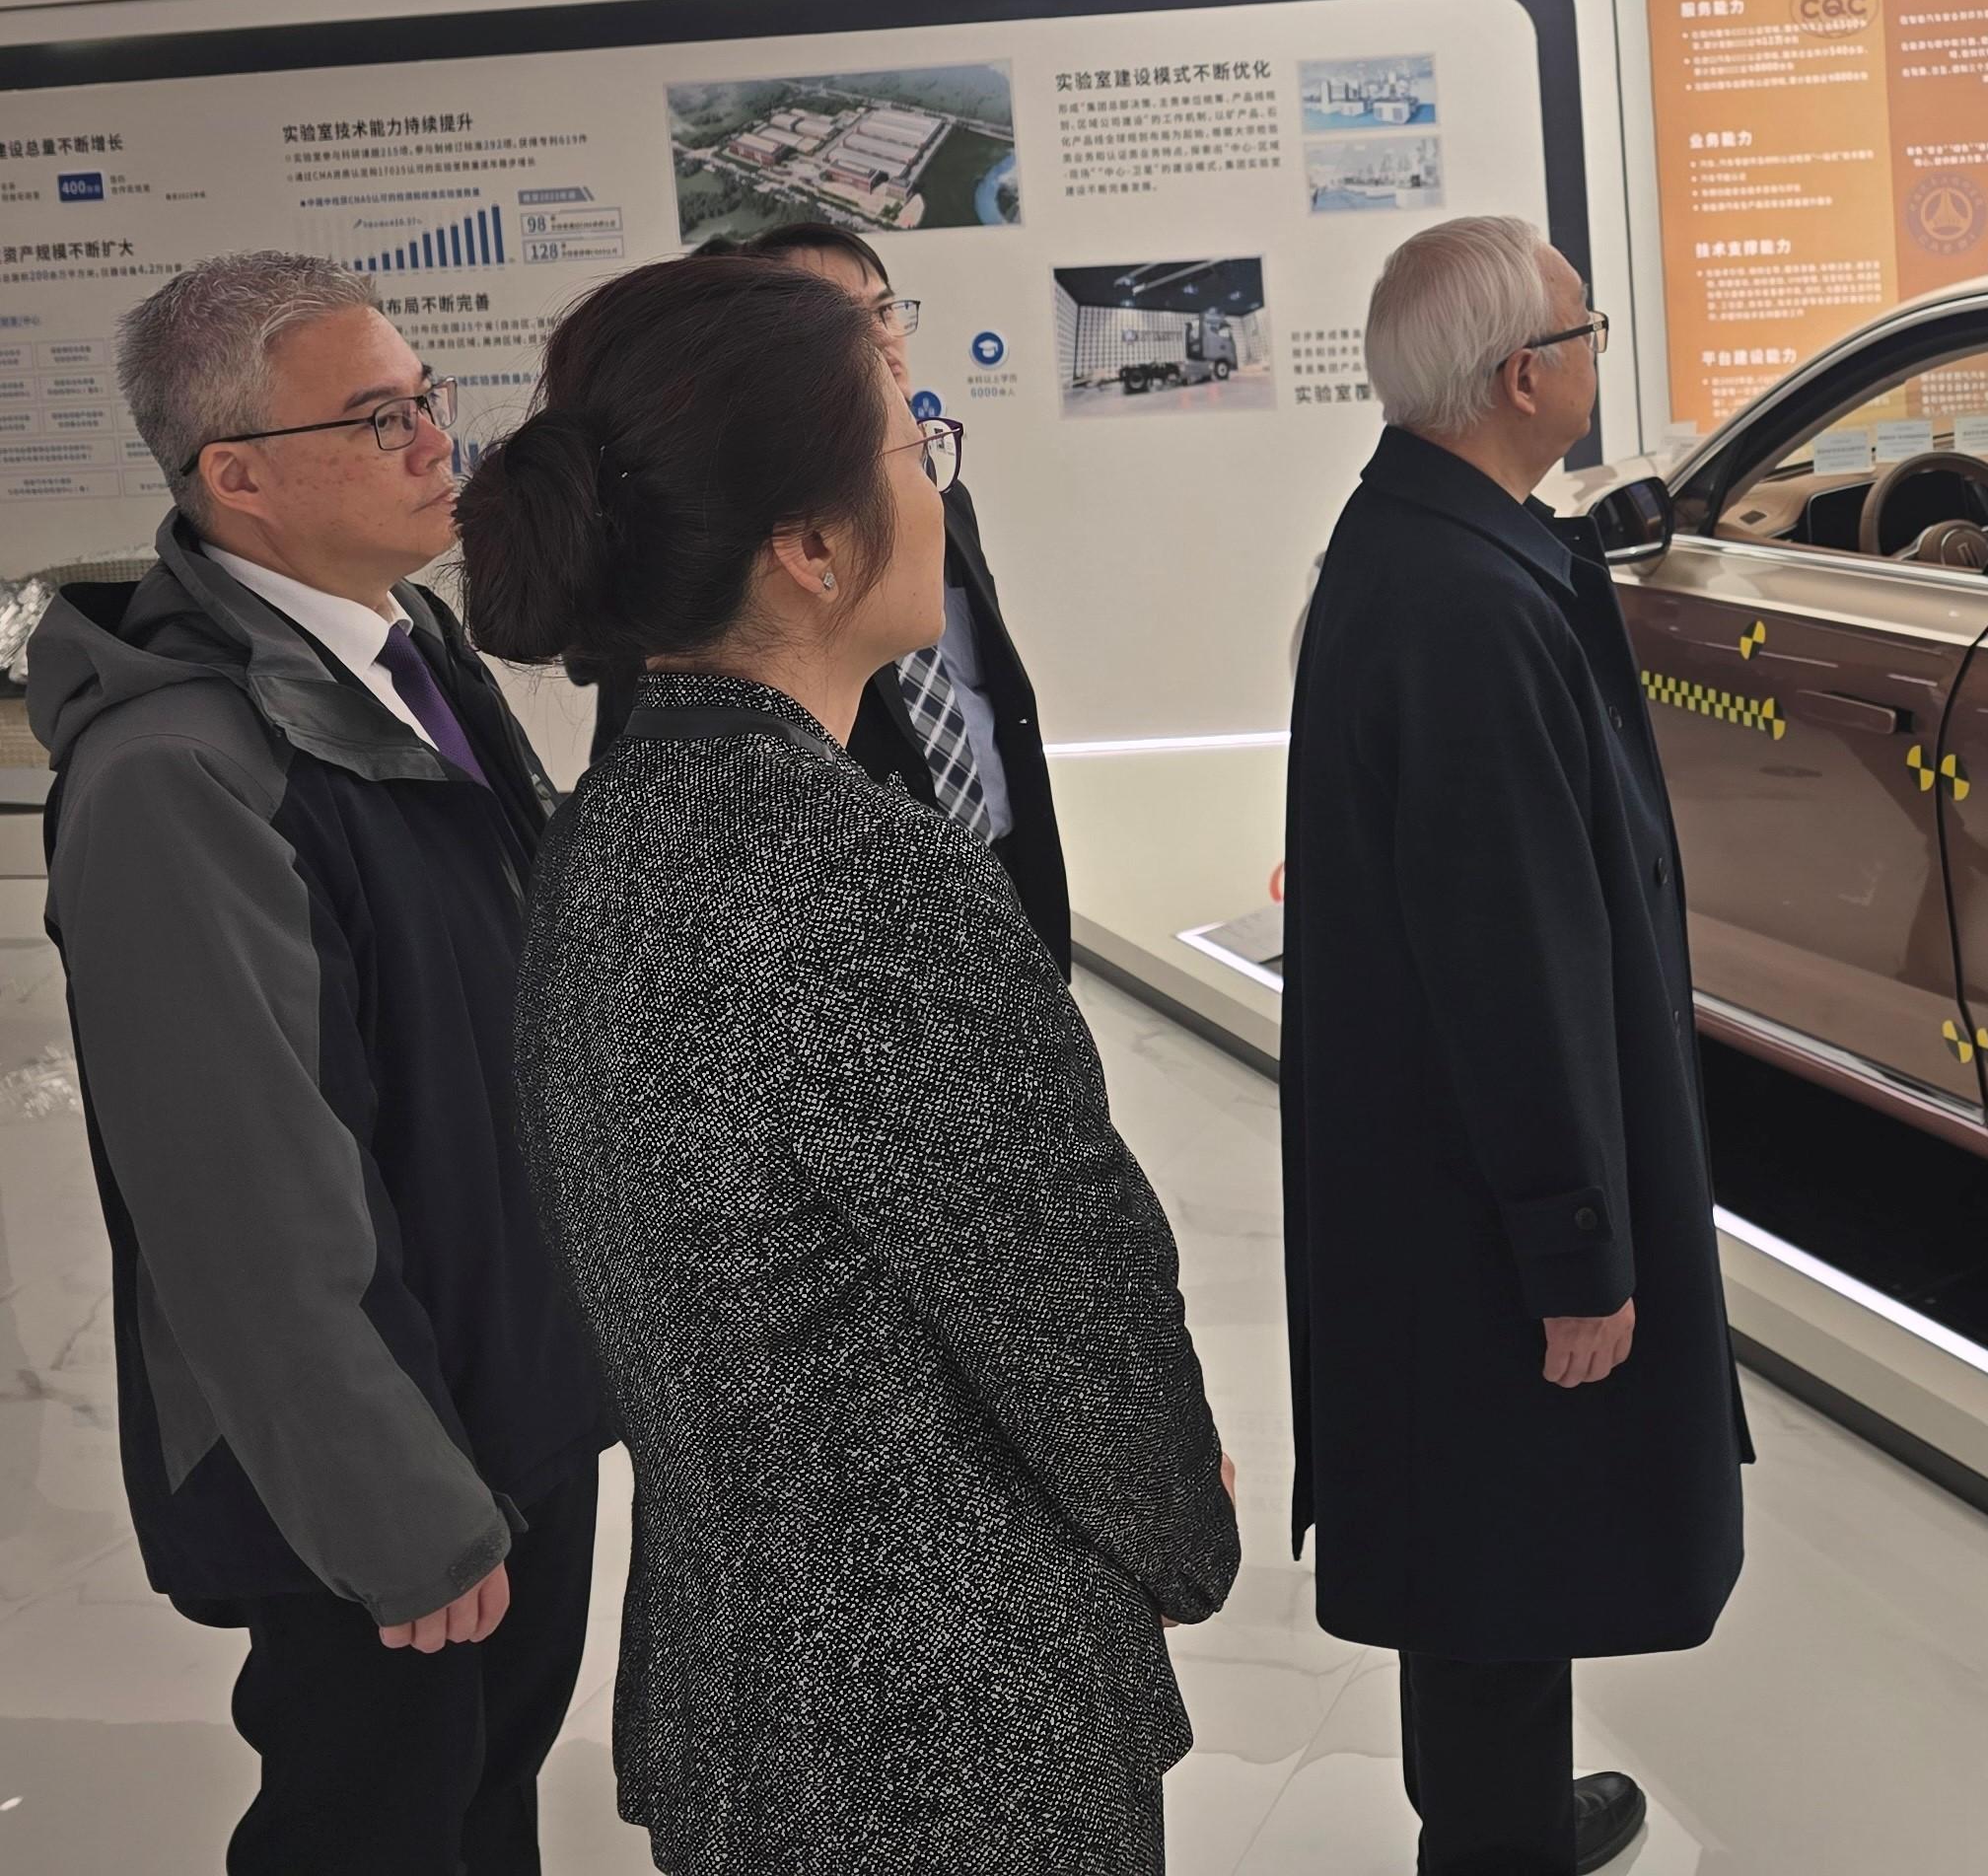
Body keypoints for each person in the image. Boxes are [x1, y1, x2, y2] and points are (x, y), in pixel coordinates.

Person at [458, 252, 1239, 1872]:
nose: (938, 485)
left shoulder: (605, 834)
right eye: (914, 444)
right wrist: (1185, 1524)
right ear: (810, 548)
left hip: (743, 1701)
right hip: (949, 1733)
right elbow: (1072, 1297)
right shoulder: (859, 872)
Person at [34, 253, 610, 1872]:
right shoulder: (177, 770)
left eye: (425, 398)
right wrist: (395, 1512)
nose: (437, 440)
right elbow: (248, 1204)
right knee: (375, 1825)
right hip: (372, 1456)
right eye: (379, 416)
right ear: (239, 477)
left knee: (484, 1798)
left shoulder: (410, 653)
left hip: (504, 1386)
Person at [1281, 215, 1742, 1876]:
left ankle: (1496, 1813)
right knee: (1486, 1516)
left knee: (1484, 1514)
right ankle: (1488, 1845)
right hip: (1478, 1188)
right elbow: (1514, 960)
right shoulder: (1463, 604)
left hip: (1438, 1169)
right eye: (1587, 324)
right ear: (1522, 374)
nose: (1598, 349)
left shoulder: (1438, 548)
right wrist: (1573, 1242)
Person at [588, 223, 1071, 971]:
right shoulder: (713, 569)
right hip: (869, 926)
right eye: (835, 320)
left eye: (881, 312)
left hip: (993, 873)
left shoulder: (944, 501)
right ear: (809, 545)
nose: (877, 341)